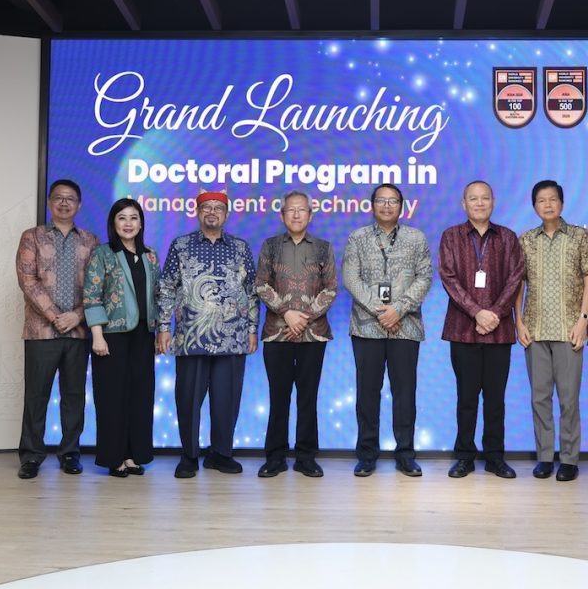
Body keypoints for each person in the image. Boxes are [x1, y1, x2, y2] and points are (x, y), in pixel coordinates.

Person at [156, 191, 259, 479]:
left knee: (227, 401)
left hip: (232, 337)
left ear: (226, 214)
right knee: (188, 399)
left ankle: (221, 454)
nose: (212, 212)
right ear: (197, 212)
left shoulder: (240, 247)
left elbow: (252, 291)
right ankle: (189, 456)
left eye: (218, 208)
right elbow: (167, 288)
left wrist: (252, 329)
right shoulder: (181, 245)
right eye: (206, 207)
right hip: (192, 337)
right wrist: (163, 327)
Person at [343, 183, 433, 477]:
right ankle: (367, 455)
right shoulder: (357, 238)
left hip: (405, 327)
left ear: (401, 207)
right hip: (367, 327)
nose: (386, 205)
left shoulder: (416, 238)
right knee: (367, 393)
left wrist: (399, 309)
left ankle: (405, 454)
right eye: (381, 200)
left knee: (405, 393)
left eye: (392, 201)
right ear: (372, 206)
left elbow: (425, 277)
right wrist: (379, 310)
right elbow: (350, 278)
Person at [517, 180, 588, 482]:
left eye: (553, 199)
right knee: (539, 398)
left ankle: (568, 459)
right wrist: (519, 321)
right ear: (535, 206)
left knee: (569, 399)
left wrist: (583, 321)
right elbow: (518, 285)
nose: (548, 204)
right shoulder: (526, 240)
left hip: (570, 330)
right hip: (535, 329)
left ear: (562, 204)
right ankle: (544, 457)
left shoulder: (580, 236)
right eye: (541, 200)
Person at [439, 181, 524, 479]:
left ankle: (494, 457)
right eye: (473, 199)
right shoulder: (451, 236)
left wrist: (495, 313)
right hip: (463, 329)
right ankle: (464, 457)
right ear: (464, 204)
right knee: (466, 398)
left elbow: (515, 278)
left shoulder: (508, 237)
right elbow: (448, 278)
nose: (479, 203)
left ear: (493, 202)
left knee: (495, 399)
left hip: (499, 331)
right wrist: (477, 312)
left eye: (484, 198)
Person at [15, 179, 99, 479]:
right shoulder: (32, 237)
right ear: (50, 202)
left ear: (79, 204)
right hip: (41, 331)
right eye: (59, 198)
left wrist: (77, 316)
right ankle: (31, 455)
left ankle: (70, 453)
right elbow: (27, 281)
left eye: (70, 198)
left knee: (74, 395)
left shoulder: (91, 241)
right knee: (36, 395)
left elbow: (98, 285)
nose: (64, 203)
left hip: (77, 332)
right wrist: (55, 316)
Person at [255, 191, 338, 478]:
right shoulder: (270, 246)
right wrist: (286, 313)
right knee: (278, 397)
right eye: (291, 210)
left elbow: (331, 288)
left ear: (310, 215)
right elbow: (261, 284)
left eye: (302, 210)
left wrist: (305, 317)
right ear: (282, 215)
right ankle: (275, 457)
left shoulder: (323, 248)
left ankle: (306, 457)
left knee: (308, 397)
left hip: (313, 334)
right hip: (277, 334)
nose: (296, 214)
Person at [83, 198, 160, 477]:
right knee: (112, 397)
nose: (128, 224)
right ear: (113, 223)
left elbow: (157, 295)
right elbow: (92, 296)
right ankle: (114, 458)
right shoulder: (102, 254)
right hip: (111, 336)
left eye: (134, 218)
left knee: (140, 396)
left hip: (143, 335)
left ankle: (133, 455)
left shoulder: (150, 256)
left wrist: (159, 330)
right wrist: (97, 336)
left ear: (141, 223)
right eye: (122, 218)